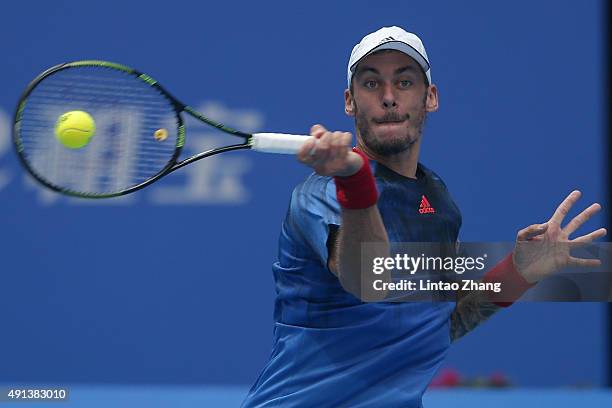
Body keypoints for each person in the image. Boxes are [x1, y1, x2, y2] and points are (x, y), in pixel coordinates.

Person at [241, 26, 606, 407]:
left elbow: (433, 325)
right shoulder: (322, 194)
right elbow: (369, 282)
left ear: (430, 97)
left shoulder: (437, 197)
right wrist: (354, 179)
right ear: (350, 102)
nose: (387, 97)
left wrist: (518, 273)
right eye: (370, 84)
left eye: (404, 82)